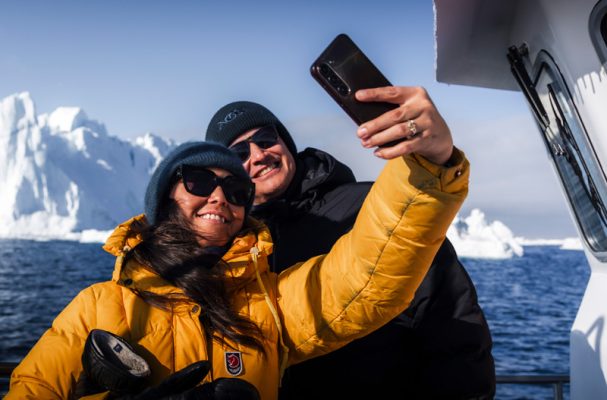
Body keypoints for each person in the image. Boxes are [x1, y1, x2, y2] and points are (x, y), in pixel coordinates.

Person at [7, 125, 469, 400]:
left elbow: (366, 275)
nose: (219, 197)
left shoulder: (270, 305)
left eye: (236, 191)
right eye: (199, 181)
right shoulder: (99, 307)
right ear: (165, 199)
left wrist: (429, 165)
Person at [205, 86, 496, 399]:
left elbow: (452, 316)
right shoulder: (230, 248)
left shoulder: (367, 205)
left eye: (265, 139)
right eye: (240, 154)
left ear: (285, 142)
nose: (259, 155)